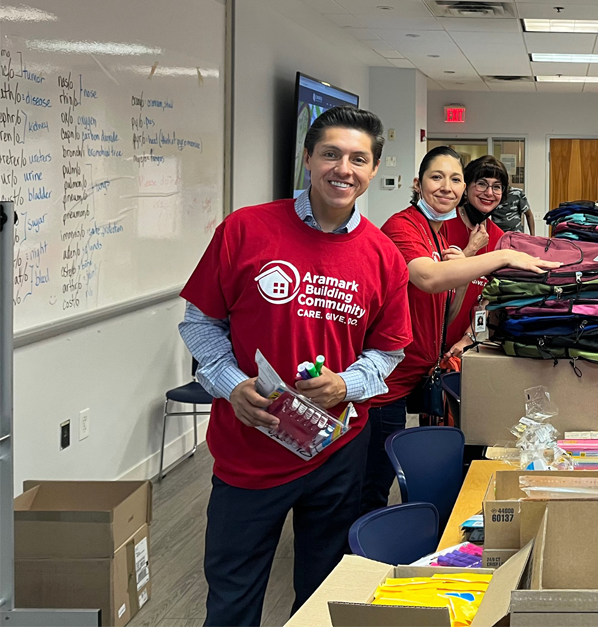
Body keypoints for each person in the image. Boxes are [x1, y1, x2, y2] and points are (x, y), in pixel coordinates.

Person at [178, 105, 413, 626]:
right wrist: (230, 384)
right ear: (308, 159)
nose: (342, 169)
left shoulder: (382, 255)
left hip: (335, 451)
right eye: (330, 154)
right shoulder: (245, 229)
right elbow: (199, 323)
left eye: (357, 159)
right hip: (247, 450)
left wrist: (346, 384)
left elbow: (388, 352)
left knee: (321, 592)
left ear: (373, 170)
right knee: (232, 595)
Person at [360, 147, 559, 515]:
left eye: (454, 179)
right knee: (370, 479)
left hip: (428, 364)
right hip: (388, 374)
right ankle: (360, 556)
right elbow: (428, 278)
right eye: (437, 178)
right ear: (418, 184)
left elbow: (471, 298)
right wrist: (498, 255)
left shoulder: (438, 233)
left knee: (414, 462)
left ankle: (404, 527)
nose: (447, 187)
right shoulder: (404, 226)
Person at [442, 155, 509, 353]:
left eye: (497, 186)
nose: (489, 193)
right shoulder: (444, 223)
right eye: (481, 184)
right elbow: (438, 282)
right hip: (430, 337)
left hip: (462, 345)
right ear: (466, 187)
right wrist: (471, 250)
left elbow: (489, 297)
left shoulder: (499, 237)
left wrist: (468, 337)